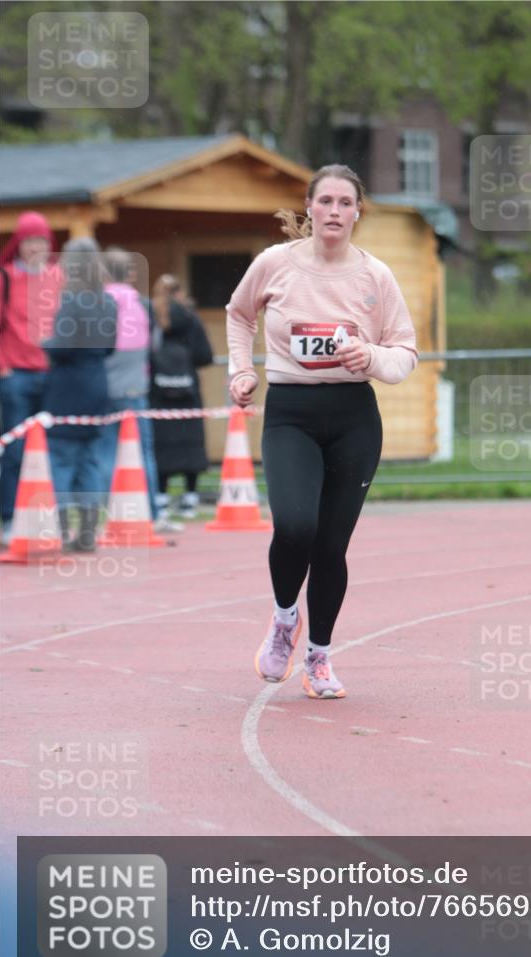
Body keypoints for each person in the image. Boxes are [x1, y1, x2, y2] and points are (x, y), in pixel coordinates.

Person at [226, 164, 418, 699]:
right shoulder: (275, 264)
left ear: (358, 212)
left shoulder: (375, 276)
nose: (335, 211)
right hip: (290, 411)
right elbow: (238, 315)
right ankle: (286, 619)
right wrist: (241, 370)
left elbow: (405, 353)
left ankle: (320, 658)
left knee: (331, 545)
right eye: (326, 201)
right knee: (294, 526)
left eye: (345, 203)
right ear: (308, 208)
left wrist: (371, 354)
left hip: (354, 416)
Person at [42, 238, 117, 551]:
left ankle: (58, 533)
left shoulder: (71, 300)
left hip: (69, 388)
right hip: (97, 383)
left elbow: (63, 347)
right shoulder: (108, 302)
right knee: (89, 462)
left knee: (59, 460)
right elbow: (110, 347)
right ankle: (87, 534)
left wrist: (43, 343)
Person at [0, 211, 64, 545]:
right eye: (28, 241)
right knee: (16, 451)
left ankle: (45, 517)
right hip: (15, 376)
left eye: (40, 240)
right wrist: (2, 368)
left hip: (50, 376)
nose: (35, 247)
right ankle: (9, 518)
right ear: (18, 244)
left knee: (51, 450)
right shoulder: (4, 278)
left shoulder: (58, 277)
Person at [98, 247, 159, 522]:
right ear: (130, 274)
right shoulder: (143, 304)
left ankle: (108, 511)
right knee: (143, 451)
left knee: (106, 450)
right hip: (137, 386)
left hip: (107, 387)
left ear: (103, 274)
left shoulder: (99, 303)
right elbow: (154, 345)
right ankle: (151, 511)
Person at [149, 274, 213, 522]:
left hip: (158, 392)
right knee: (191, 441)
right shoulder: (189, 316)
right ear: (180, 293)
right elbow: (205, 354)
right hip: (188, 392)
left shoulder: (151, 314)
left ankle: (161, 498)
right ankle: (190, 498)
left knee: (161, 443)